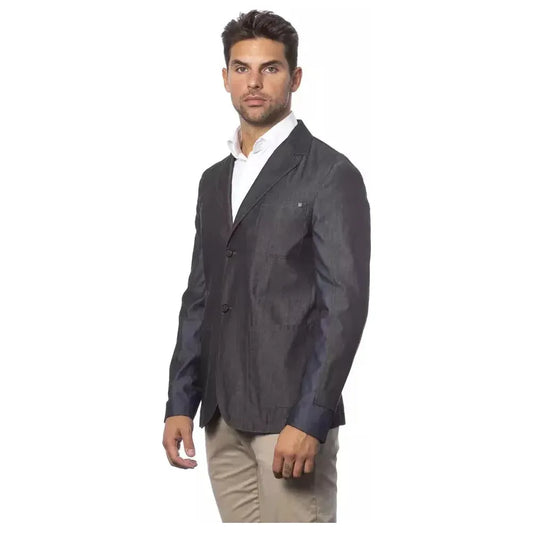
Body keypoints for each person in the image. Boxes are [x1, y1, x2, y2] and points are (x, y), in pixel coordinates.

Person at [162, 9, 371, 523]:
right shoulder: (214, 180)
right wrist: (180, 401)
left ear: (294, 78)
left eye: (270, 68)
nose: (253, 82)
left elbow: (343, 307)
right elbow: (201, 296)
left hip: (289, 421)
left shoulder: (330, 174)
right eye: (241, 68)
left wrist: (311, 417)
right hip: (221, 418)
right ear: (225, 77)